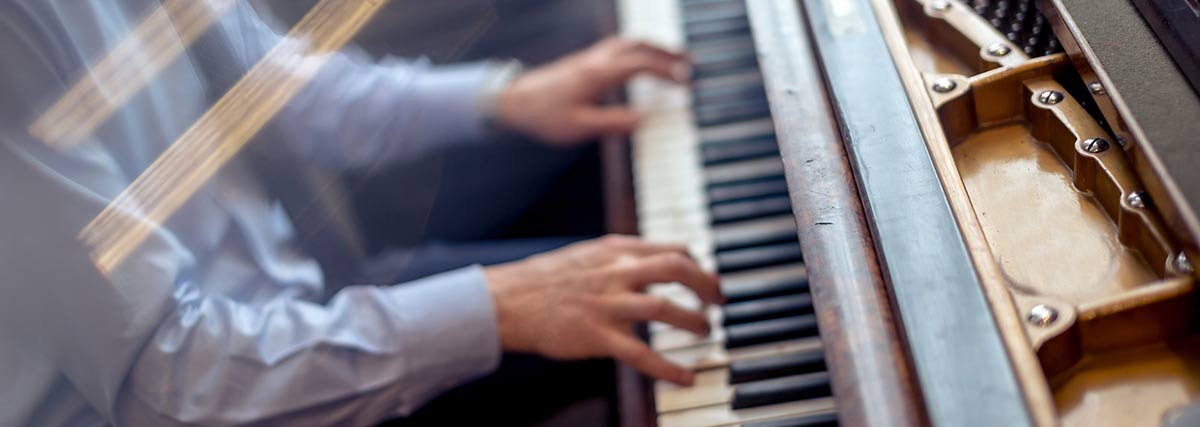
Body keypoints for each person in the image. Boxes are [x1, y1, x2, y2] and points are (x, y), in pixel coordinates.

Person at [0, 1, 718, 426]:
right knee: (654, 323)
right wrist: (501, 305)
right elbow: (173, 381)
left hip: (303, 301)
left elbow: (277, 87)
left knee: (646, 288)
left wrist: (504, 97)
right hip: (228, 392)